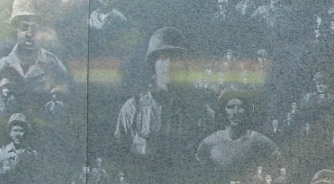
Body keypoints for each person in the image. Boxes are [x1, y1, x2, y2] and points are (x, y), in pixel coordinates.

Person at [115, 27, 188, 161]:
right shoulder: (132, 109)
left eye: (175, 58)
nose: (169, 64)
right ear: (153, 64)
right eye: (164, 58)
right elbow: (119, 155)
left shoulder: (197, 109)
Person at [0, 0, 70, 110]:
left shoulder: (53, 64)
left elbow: (66, 96)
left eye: (35, 28)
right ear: (16, 29)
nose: (29, 34)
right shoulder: (3, 65)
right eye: (24, 27)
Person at [195, 89, 280, 174]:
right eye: (230, 107)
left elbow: (277, 161)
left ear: (247, 110)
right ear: (223, 110)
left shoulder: (258, 140)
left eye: (241, 107)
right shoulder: (209, 143)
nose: (236, 112)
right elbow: (201, 172)